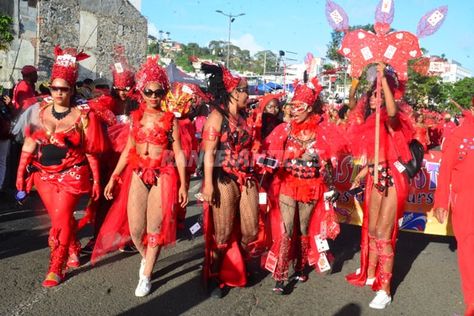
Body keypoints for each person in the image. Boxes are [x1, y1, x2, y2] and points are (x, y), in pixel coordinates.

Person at [15, 46, 105, 287]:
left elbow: (91, 153)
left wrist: (96, 181)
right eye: (54, 88)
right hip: (43, 176)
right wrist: (20, 176)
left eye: (63, 89)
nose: (57, 93)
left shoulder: (85, 115)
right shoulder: (40, 110)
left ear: (72, 89)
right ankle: (73, 247)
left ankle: (56, 265)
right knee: (59, 219)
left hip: (72, 175)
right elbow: (29, 145)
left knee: (61, 219)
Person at [98, 56, 188, 297]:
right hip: (137, 173)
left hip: (163, 175)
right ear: (142, 91)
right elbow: (128, 150)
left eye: (158, 92)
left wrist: (184, 185)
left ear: (164, 93)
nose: (153, 96)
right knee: (137, 231)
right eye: (149, 91)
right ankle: (146, 257)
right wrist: (114, 176)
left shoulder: (170, 121)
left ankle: (147, 274)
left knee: (154, 228)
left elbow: (178, 153)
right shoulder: (136, 118)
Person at [345, 63, 414, 309]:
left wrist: (383, 79)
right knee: (372, 229)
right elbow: (376, 156)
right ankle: (372, 273)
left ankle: (385, 290)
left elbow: (393, 111)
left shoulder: (391, 119)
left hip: (394, 178)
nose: (374, 98)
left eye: (378, 95)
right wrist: (361, 173)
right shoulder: (371, 121)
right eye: (372, 94)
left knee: (384, 234)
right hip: (375, 177)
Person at [263, 77, 340, 294]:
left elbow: (330, 162)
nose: (294, 110)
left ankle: (300, 266)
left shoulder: (322, 132)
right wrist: (285, 158)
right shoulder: (284, 130)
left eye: (299, 107)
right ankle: (279, 274)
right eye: (292, 106)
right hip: (287, 184)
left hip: (311, 186)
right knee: (286, 228)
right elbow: (269, 157)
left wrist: (325, 175)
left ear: (310, 108)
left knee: (304, 228)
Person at [200, 63, 261, 298]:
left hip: (246, 177)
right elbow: (208, 154)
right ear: (234, 92)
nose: (249, 94)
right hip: (223, 178)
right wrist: (208, 184)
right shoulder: (217, 117)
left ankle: (239, 267)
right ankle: (217, 277)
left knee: (251, 230)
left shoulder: (245, 117)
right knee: (223, 234)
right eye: (245, 89)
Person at [81, 53, 138, 254]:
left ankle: (126, 236)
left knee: (127, 200)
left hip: (130, 161)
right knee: (104, 200)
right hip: (108, 160)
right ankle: (97, 238)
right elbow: (88, 116)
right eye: (120, 89)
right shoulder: (105, 104)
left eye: (126, 89)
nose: (123, 93)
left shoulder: (138, 106)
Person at [433, 106, 474, 316]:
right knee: (468, 252)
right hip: (466, 202)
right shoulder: (458, 134)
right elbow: (445, 169)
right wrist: (441, 202)